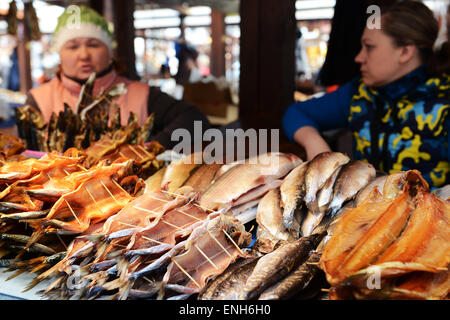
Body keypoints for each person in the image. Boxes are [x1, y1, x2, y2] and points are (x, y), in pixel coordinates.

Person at [283, 1, 450, 189]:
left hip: (431, 214)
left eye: (369, 47)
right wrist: (314, 142)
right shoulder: (359, 93)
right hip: (364, 212)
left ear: (405, 52)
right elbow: (295, 113)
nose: (358, 57)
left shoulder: (443, 99)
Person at [22, 5, 210, 150]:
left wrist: (153, 149)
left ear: (110, 51)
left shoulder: (141, 93)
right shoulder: (38, 99)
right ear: (60, 54)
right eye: (72, 46)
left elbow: (195, 119)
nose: (84, 54)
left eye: (94, 44)